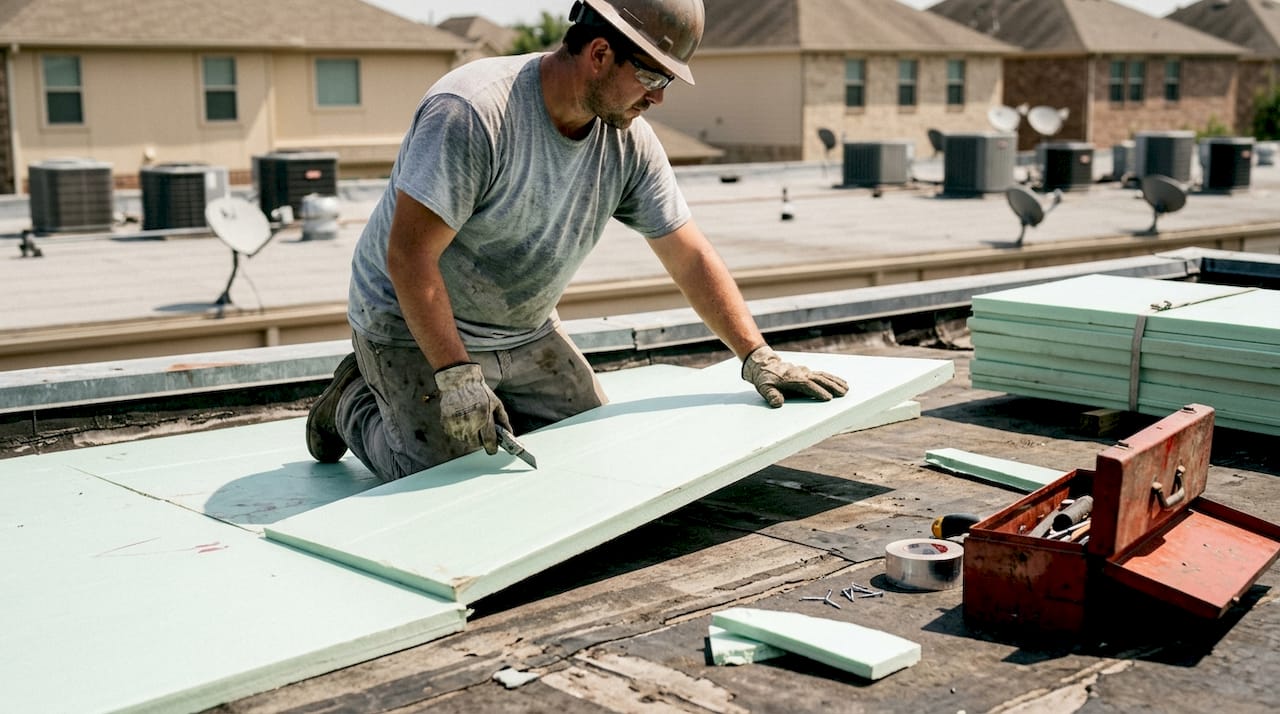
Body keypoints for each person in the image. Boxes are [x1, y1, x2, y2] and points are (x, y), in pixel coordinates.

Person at [306, 0, 849, 482]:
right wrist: (456, 376)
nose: (658, 99)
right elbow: (408, 257)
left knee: (590, 447)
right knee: (442, 474)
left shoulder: (628, 143)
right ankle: (353, 400)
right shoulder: (473, 113)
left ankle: (456, 395)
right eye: (653, 78)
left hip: (523, 329)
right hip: (407, 323)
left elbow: (688, 255)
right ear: (598, 54)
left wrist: (756, 356)